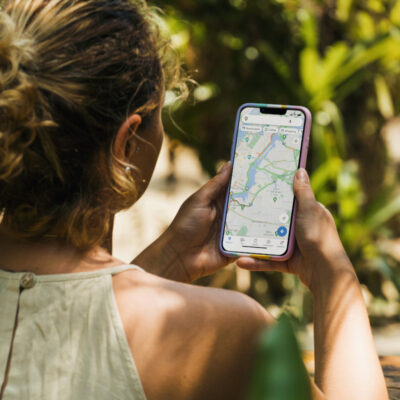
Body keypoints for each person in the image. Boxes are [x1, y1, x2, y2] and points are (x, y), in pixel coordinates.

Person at [0, 0, 388, 399]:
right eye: (160, 118)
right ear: (127, 143)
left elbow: (68, 323)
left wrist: (169, 258)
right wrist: (333, 274)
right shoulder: (222, 332)